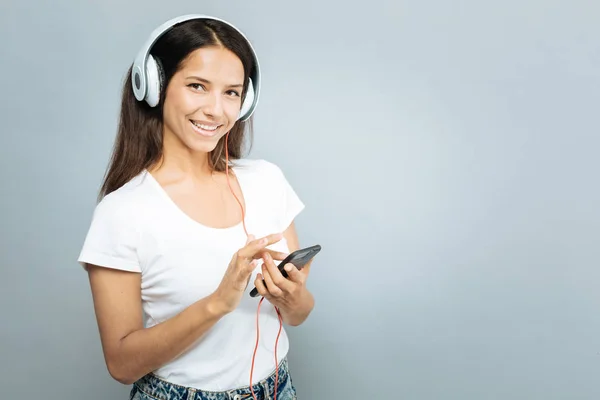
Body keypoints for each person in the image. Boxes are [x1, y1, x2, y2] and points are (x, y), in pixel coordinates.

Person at [77, 14, 315, 400]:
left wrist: (292, 298)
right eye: (197, 86)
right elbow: (121, 365)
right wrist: (218, 304)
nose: (216, 110)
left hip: (277, 388)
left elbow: (298, 315)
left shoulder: (267, 180)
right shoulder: (122, 212)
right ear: (154, 86)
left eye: (231, 93)